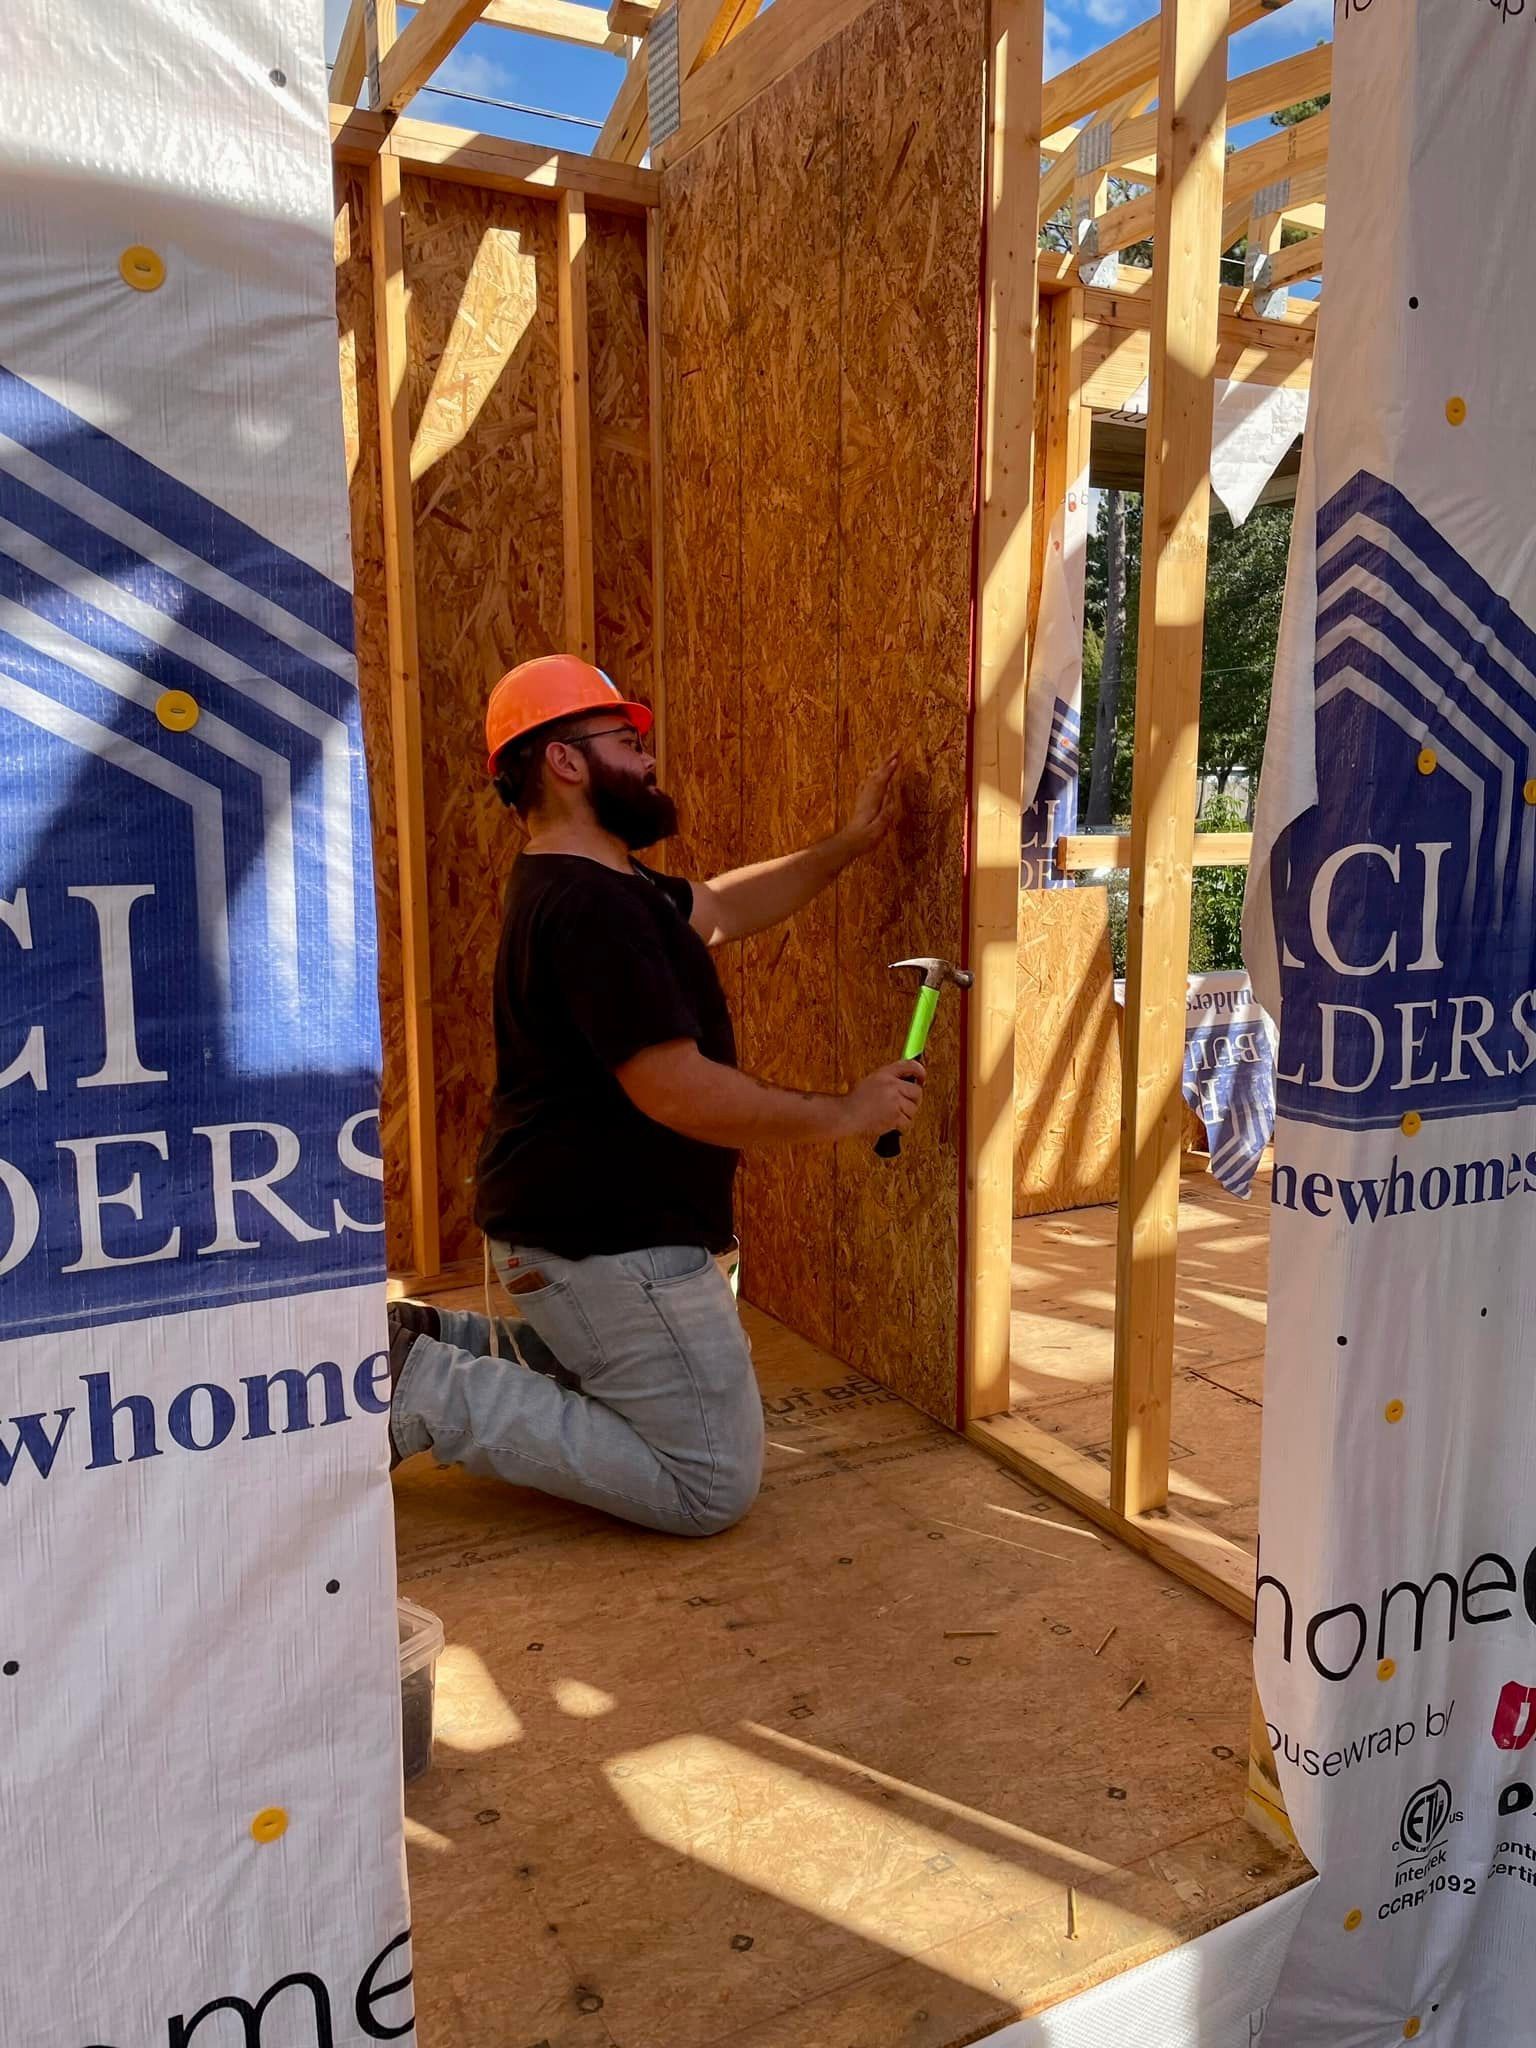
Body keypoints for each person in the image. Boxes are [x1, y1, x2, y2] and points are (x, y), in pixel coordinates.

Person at [385, 653, 925, 1536]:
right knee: (707, 1481)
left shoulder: (608, 888)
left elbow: (719, 906)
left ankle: (440, 1346)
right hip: (602, 1245)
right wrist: (846, 1112)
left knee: (659, 1401)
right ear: (564, 760)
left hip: (576, 1233)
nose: (647, 759)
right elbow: (678, 1092)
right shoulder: (591, 910)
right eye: (626, 741)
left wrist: (845, 847)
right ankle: (421, 1391)